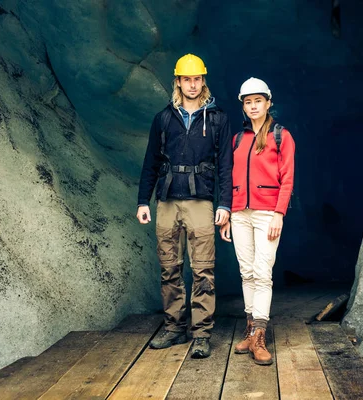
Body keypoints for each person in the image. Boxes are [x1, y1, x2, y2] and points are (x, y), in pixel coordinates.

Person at [136, 54, 232, 359]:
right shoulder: (163, 118)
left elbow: (226, 166)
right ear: (178, 81)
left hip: (201, 202)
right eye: (186, 79)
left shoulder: (217, 119)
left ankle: (201, 333)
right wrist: (143, 200)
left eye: (197, 79)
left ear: (203, 80)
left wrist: (225, 203)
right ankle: (174, 327)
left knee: (203, 270)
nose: (192, 85)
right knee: (169, 268)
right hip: (166, 201)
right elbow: (150, 162)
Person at [220, 78, 295, 365]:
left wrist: (279, 212)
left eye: (258, 101)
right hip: (239, 214)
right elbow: (228, 177)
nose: (253, 106)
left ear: (268, 102)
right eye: (248, 102)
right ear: (243, 105)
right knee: (246, 272)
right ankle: (250, 331)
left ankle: (260, 336)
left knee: (263, 273)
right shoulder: (238, 139)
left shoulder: (281, 136)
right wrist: (227, 213)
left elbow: (287, 177)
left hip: (267, 213)